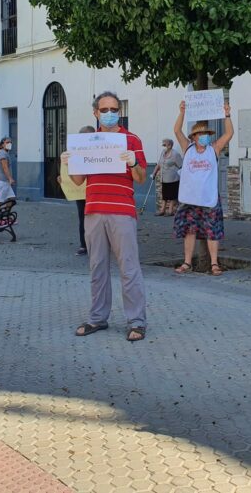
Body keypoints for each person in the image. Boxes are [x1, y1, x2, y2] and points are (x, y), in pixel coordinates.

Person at [62, 91, 148, 342]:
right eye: (104, 110)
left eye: (114, 109)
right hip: (94, 210)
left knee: (128, 268)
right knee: (97, 267)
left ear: (119, 112)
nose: (109, 114)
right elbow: (79, 180)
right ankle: (97, 318)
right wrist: (68, 163)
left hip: (122, 211)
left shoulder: (132, 140)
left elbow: (141, 179)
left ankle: (137, 321)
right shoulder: (88, 142)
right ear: (95, 112)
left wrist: (133, 163)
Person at [171, 102, 234, 275]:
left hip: (209, 198)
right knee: (189, 231)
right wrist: (182, 113)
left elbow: (229, 133)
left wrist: (227, 115)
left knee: (211, 230)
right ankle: (187, 262)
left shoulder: (214, 149)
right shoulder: (187, 148)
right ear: (194, 136)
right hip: (190, 198)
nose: (204, 136)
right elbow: (177, 130)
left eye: (206, 134)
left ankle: (214, 264)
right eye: (201, 134)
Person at [58, 125, 96, 255]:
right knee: (83, 218)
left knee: (97, 218)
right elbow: (67, 168)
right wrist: (62, 177)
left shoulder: (100, 151)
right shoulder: (73, 151)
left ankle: (97, 245)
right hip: (81, 192)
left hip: (96, 191)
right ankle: (84, 245)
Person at [152, 138, 182, 216]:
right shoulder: (163, 152)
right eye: (164, 145)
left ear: (170, 145)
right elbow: (159, 164)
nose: (164, 146)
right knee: (164, 195)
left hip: (173, 178)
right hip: (164, 178)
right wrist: (154, 173)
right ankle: (162, 210)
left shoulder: (175, 154)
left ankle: (170, 211)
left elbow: (181, 166)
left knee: (172, 195)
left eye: (165, 144)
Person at [0, 136, 15, 205]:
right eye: (7, 142)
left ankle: (6, 214)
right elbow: (5, 167)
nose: (9, 144)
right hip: (1, 181)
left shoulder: (4, 153)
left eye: (10, 142)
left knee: (11, 198)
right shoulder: (2, 153)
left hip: (4, 181)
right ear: (2, 144)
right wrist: (10, 179)